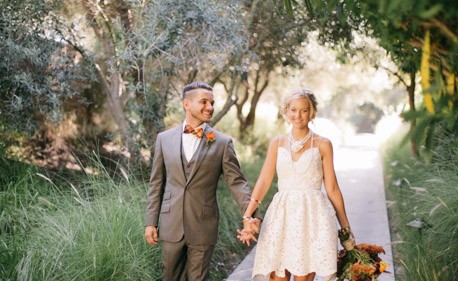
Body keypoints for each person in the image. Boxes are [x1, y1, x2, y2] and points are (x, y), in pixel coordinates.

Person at [144, 81, 261, 281]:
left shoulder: (222, 143)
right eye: (204, 102)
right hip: (171, 224)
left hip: (203, 225)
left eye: (212, 102)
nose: (210, 107)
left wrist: (250, 215)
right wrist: (150, 222)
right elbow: (156, 184)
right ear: (186, 104)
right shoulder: (164, 139)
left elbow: (237, 183)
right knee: (170, 277)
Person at [237, 88, 353, 281]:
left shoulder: (323, 144)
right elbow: (264, 180)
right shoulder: (278, 142)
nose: (298, 115)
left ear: (312, 112)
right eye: (293, 109)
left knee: (304, 275)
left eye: (304, 110)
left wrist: (345, 229)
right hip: (282, 216)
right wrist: (248, 215)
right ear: (286, 111)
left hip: (314, 218)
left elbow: (332, 188)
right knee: (277, 275)